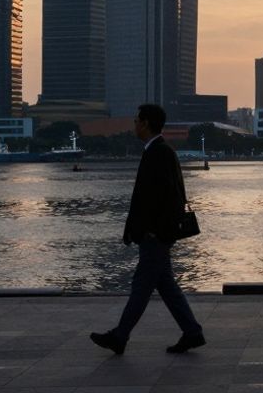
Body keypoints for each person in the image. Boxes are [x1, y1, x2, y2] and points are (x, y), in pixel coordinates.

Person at [92, 104, 205, 354]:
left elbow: (168, 196)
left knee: (141, 287)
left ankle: (120, 336)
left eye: (136, 121)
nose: (133, 125)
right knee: (166, 285)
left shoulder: (158, 152)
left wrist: (154, 230)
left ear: (145, 123)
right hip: (156, 233)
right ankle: (192, 332)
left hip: (155, 235)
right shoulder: (158, 150)